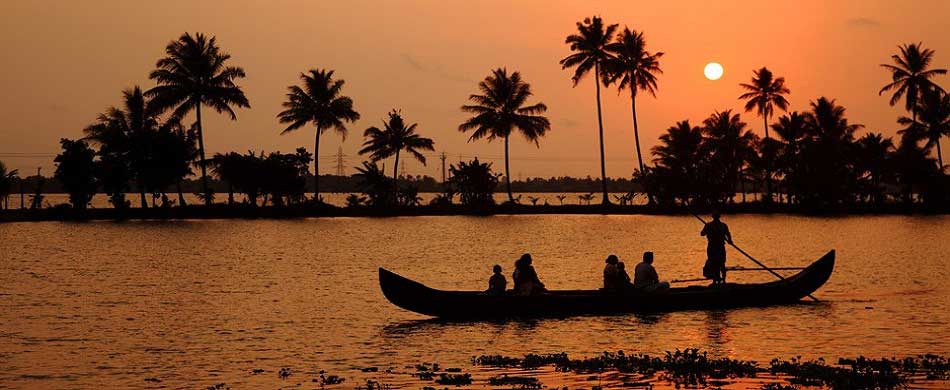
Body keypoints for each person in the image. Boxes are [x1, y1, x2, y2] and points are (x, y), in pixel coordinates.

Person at [701, 212, 732, 284]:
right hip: (715, 246)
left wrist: (730, 240)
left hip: (717, 247)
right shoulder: (711, 225)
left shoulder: (721, 225)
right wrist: (730, 240)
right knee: (718, 263)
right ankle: (718, 279)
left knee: (719, 263)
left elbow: (728, 233)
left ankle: (719, 280)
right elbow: (702, 234)